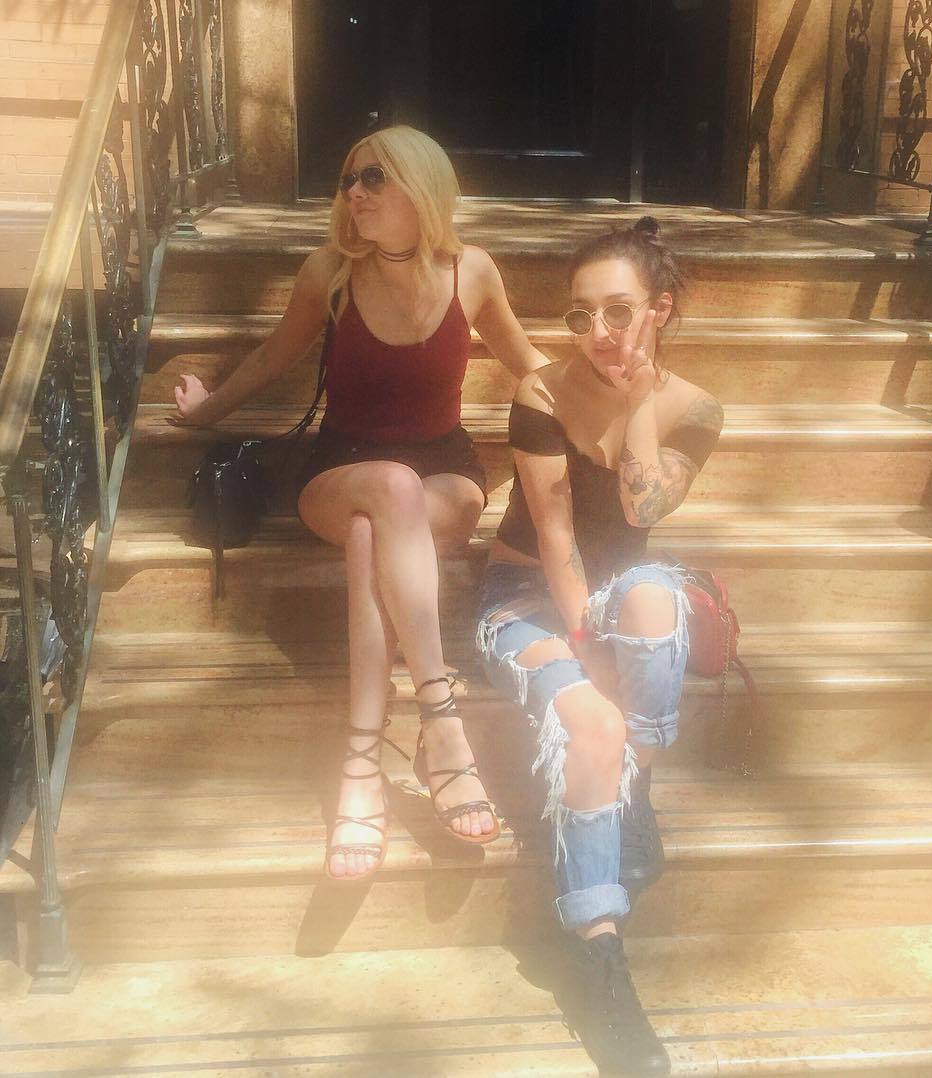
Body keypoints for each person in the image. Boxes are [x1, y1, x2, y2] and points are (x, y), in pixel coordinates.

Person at [174, 125, 547, 880]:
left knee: (380, 528)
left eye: (374, 177)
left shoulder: (472, 271)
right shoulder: (330, 274)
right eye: (349, 179)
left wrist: (611, 412)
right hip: (341, 472)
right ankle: (441, 722)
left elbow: (528, 364)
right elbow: (273, 355)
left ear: (422, 185)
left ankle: (360, 767)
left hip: (446, 476)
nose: (354, 192)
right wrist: (204, 411)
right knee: (388, 489)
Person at [474, 217, 723, 1076]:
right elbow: (554, 535)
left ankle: (635, 792)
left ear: (660, 309)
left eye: (618, 311)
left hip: (619, 595)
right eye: (581, 316)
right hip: (524, 600)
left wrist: (640, 404)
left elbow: (644, 510)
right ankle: (597, 957)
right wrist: (587, 649)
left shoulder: (696, 410)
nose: (597, 333)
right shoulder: (542, 392)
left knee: (654, 592)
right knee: (595, 727)